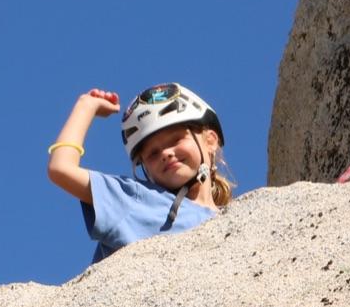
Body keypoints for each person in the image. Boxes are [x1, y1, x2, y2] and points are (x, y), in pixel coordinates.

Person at [46, 82, 235, 264]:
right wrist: (86, 107)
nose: (165, 154)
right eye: (153, 153)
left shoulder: (233, 221)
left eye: (175, 140)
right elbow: (61, 168)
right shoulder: (136, 199)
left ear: (210, 141)